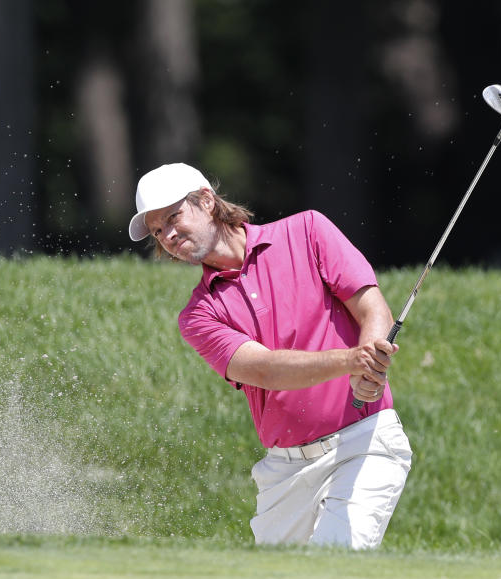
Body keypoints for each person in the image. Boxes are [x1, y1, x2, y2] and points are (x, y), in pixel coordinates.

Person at [129, 162, 412, 550]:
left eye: (173, 217)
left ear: (207, 201)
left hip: (364, 442)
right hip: (286, 470)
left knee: (336, 561)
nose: (169, 235)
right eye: (158, 231)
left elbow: (372, 309)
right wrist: (352, 361)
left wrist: (372, 364)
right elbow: (264, 370)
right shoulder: (198, 316)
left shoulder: (307, 231)